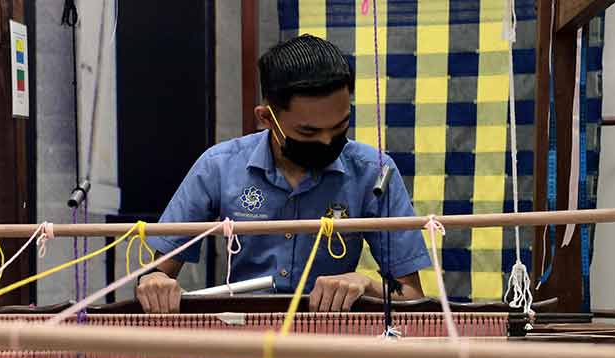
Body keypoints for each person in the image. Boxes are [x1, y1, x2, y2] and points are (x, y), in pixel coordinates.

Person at [138, 34, 430, 314]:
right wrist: (156, 282)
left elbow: (411, 295)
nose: (327, 141)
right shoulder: (219, 167)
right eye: (309, 132)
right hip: (244, 331)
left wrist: (365, 284)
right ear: (266, 118)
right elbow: (156, 275)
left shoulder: (374, 172)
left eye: (340, 127)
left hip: (334, 333)